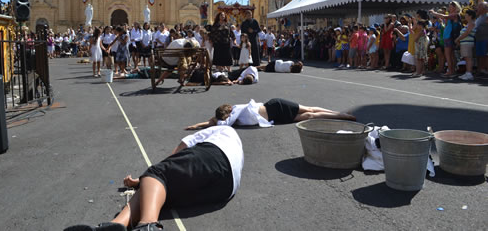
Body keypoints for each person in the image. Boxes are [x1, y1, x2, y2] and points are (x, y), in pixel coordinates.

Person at [64, 126, 244, 231]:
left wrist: (151, 175)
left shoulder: (221, 129)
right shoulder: (233, 139)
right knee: (155, 194)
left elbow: (181, 149)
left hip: (217, 155)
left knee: (158, 174)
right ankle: (117, 224)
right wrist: (145, 182)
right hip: (225, 189)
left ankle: (147, 225)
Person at [185, 98, 356, 130]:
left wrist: (199, 125)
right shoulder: (231, 121)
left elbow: (214, 121)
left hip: (275, 105)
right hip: (276, 117)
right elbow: (214, 122)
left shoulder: (237, 109)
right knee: (309, 116)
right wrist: (195, 126)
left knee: (310, 109)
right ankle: (341, 115)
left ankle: (341, 114)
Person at [430, 1, 461, 77]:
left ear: (455, 7)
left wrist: (434, 13)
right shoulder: (452, 15)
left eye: (450, 6)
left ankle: (450, 71)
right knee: (450, 55)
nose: (449, 8)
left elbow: (444, 16)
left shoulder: (455, 15)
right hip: (447, 36)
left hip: (449, 37)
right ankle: (452, 70)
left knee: (448, 55)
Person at [456, 9, 476, 80]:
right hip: (465, 43)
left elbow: (467, 33)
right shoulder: (468, 23)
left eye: (466, 15)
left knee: (468, 58)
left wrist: (458, 39)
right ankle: (467, 72)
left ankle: (469, 73)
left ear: (470, 16)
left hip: (468, 43)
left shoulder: (471, 23)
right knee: (467, 58)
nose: (465, 16)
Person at [474, 2, 488, 76]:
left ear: (485, 8)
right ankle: (479, 69)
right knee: (479, 55)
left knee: (483, 55)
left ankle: (483, 69)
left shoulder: (487, 16)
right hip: (478, 38)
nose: (478, 8)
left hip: (484, 38)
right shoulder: (479, 17)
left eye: (479, 7)